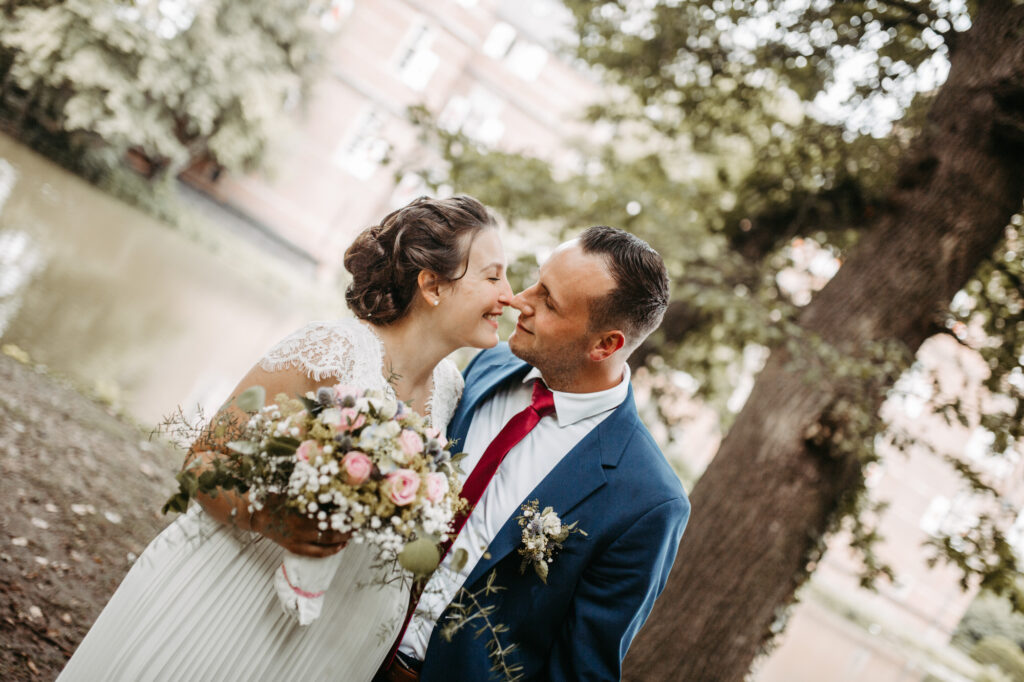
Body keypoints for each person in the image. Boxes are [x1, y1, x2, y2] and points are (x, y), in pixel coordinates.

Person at [57, 195, 513, 681]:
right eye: (492, 276)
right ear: (432, 285)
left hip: (336, 635)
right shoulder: (327, 350)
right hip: (237, 597)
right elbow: (202, 461)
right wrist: (270, 518)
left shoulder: (451, 390)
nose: (510, 294)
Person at [379, 226, 690, 682]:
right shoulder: (489, 365)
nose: (518, 300)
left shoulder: (648, 501)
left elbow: (580, 670)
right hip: (345, 646)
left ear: (605, 344)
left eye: (548, 300)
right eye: (536, 281)